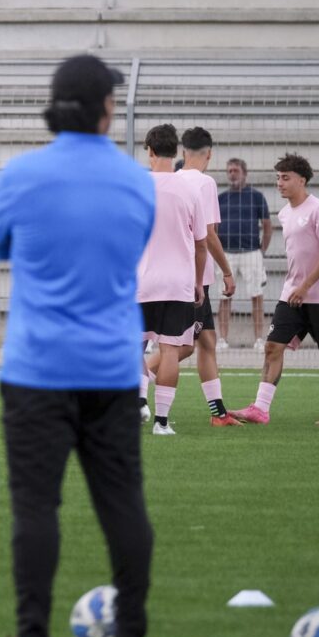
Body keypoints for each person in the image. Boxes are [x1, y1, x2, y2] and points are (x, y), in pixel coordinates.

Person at [0, 55, 155, 637]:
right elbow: (132, 246)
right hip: (115, 369)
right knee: (123, 505)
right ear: (102, 107)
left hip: (39, 369)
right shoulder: (136, 181)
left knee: (36, 508)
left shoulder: (22, 173)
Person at [231, 154, 319, 425]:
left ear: (302, 179)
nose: (279, 183)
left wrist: (306, 286)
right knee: (273, 347)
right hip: (291, 295)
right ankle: (260, 409)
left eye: (285, 178)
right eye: (277, 178)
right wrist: (297, 287)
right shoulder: (285, 213)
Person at [137, 124, 207, 435]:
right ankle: (161, 423)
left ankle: (138, 402)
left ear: (149, 151)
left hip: (140, 282)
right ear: (176, 152)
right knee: (169, 350)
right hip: (178, 282)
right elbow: (201, 243)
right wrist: (198, 282)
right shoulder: (189, 190)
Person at [176, 127, 242, 426]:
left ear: (182, 151)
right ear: (210, 153)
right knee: (183, 346)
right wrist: (227, 272)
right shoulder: (205, 183)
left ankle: (218, 413)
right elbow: (210, 235)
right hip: (194, 278)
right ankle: (130, 389)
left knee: (206, 341)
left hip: (174, 272)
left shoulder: (171, 180)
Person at [216, 158, 271, 350]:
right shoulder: (220, 198)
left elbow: (267, 226)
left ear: (244, 173)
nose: (232, 174)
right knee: (224, 297)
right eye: (229, 170)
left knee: (256, 295)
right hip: (225, 254)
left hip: (251, 252)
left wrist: (261, 251)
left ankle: (259, 339)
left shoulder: (256, 197)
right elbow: (213, 227)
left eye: (236, 170)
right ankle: (222, 339)